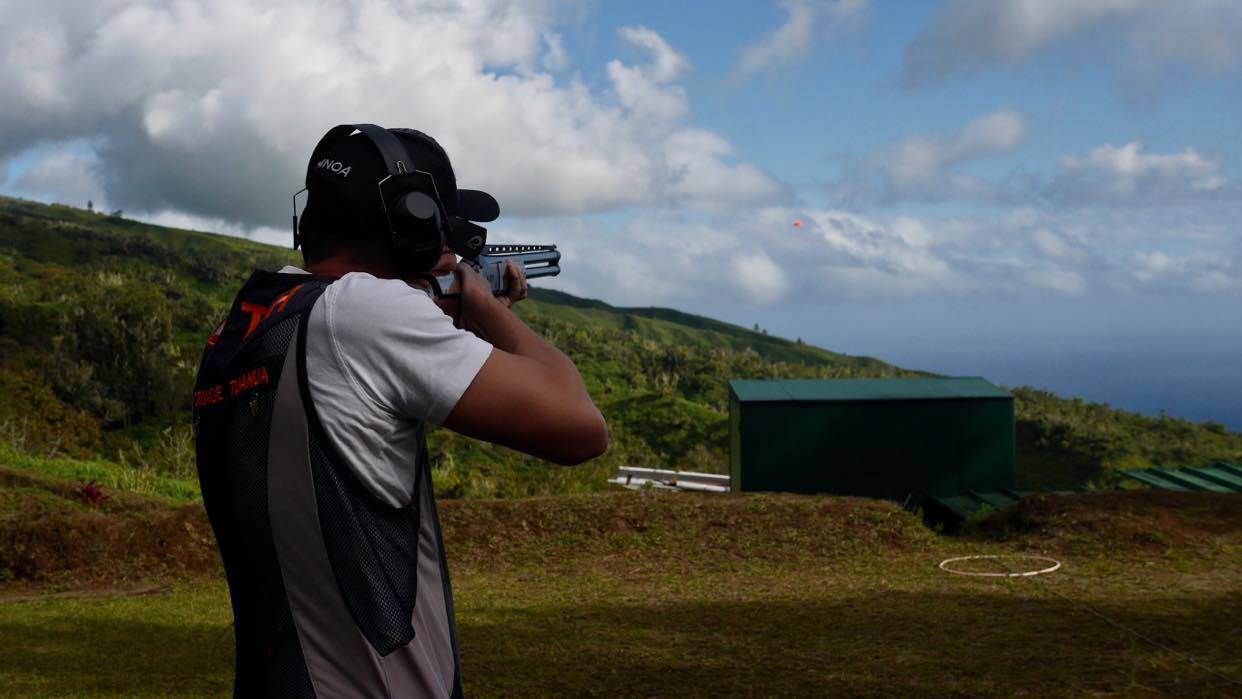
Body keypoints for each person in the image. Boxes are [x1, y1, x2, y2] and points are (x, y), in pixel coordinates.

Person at [192, 123, 608, 698]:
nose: (449, 249)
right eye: (441, 230)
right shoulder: (366, 312)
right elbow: (580, 428)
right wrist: (488, 311)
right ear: (409, 224)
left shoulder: (254, 318)